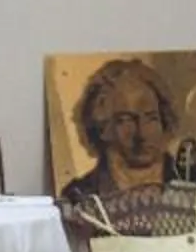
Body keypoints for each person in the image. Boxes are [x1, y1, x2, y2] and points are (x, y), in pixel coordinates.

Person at [73, 55, 182, 199]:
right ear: (102, 129)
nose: (142, 134)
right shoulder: (79, 196)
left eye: (151, 118)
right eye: (125, 120)